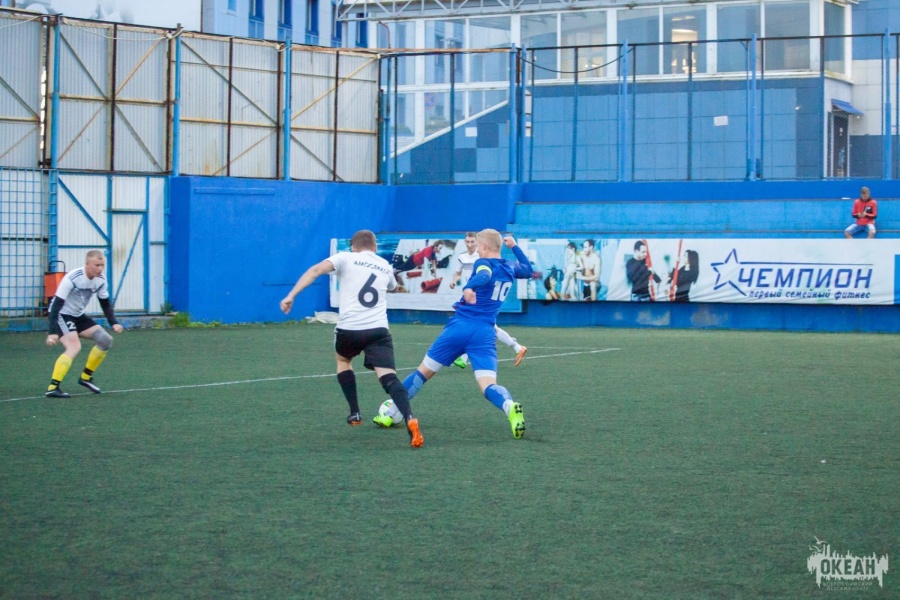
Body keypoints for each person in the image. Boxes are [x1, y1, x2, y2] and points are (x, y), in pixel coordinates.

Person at [375, 230, 533, 439]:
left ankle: (390, 413)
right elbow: (528, 270)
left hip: (460, 327)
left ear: (484, 247)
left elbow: (484, 274)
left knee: (423, 373)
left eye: (478, 246)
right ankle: (509, 406)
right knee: (488, 385)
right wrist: (514, 246)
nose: (477, 250)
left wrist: (469, 287)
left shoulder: (482, 263)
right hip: (484, 333)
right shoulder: (510, 267)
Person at [279, 229, 423, 448]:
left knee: (343, 361)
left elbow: (316, 270)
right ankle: (410, 417)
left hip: (349, 329)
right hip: (378, 330)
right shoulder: (384, 265)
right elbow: (392, 287)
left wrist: (291, 296)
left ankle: (355, 412)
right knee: (389, 378)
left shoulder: (345, 257)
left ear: (353, 247)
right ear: (375, 247)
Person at [45, 250, 124, 398]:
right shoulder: (73, 278)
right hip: (62, 314)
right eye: (96, 265)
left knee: (105, 340)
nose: (100, 269)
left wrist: (113, 322)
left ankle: (86, 377)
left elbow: (105, 303)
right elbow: (56, 305)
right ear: (87, 265)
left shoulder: (101, 280)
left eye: (102, 265)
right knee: (74, 347)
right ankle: (53, 387)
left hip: (77, 315)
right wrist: (53, 332)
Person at [448, 232, 528, 369]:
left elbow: (485, 275)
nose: (470, 245)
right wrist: (455, 281)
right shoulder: (462, 257)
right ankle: (516, 347)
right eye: (467, 242)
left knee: (479, 326)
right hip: (472, 294)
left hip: (481, 295)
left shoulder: (482, 258)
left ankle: (464, 356)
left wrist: (471, 286)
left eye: (473, 242)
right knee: (485, 326)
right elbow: (458, 273)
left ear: (480, 244)